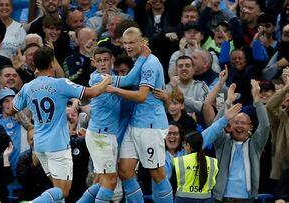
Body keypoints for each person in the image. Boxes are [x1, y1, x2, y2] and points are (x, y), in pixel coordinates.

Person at [9, 46, 112, 202]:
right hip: (57, 145)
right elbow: (92, 93)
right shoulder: (61, 84)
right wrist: (107, 80)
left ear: (36, 65)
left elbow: (11, 110)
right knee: (63, 191)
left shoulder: (28, 87)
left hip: (40, 145)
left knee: (56, 190)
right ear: (52, 64)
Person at [107, 27, 172, 202]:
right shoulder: (139, 61)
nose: (128, 47)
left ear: (142, 42)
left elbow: (142, 96)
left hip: (151, 125)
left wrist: (115, 89)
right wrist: (103, 80)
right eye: (125, 43)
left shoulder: (150, 63)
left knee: (157, 174)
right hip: (135, 123)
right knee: (125, 170)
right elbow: (128, 80)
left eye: (132, 42)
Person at [77, 46, 149, 202]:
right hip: (99, 136)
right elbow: (129, 80)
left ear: (112, 61)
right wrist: (143, 57)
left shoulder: (114, 77)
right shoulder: (98, 79)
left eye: (106, 60)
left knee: (104, 181)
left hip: (109, 136)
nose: (103, 64)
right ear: (93, 63)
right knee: (109, 181)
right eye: (99, 61)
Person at [211, 79, 270, 202]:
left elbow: (265, 126)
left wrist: (257, 100)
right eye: (236, 122)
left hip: (247, 199)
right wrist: (227, 103)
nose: (239, 126)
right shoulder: (222, 142)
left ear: (250, 127)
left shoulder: (255, 144)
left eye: (243, 123)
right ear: (230, 126)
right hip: (222, 199)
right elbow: (214, 127)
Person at [173, 131, 219, 202]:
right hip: (206, 199)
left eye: (184, 144)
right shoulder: (213, 162)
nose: (184, 146)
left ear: (188, 145)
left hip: (183, 200)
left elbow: (173, 184)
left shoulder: (179, 161)